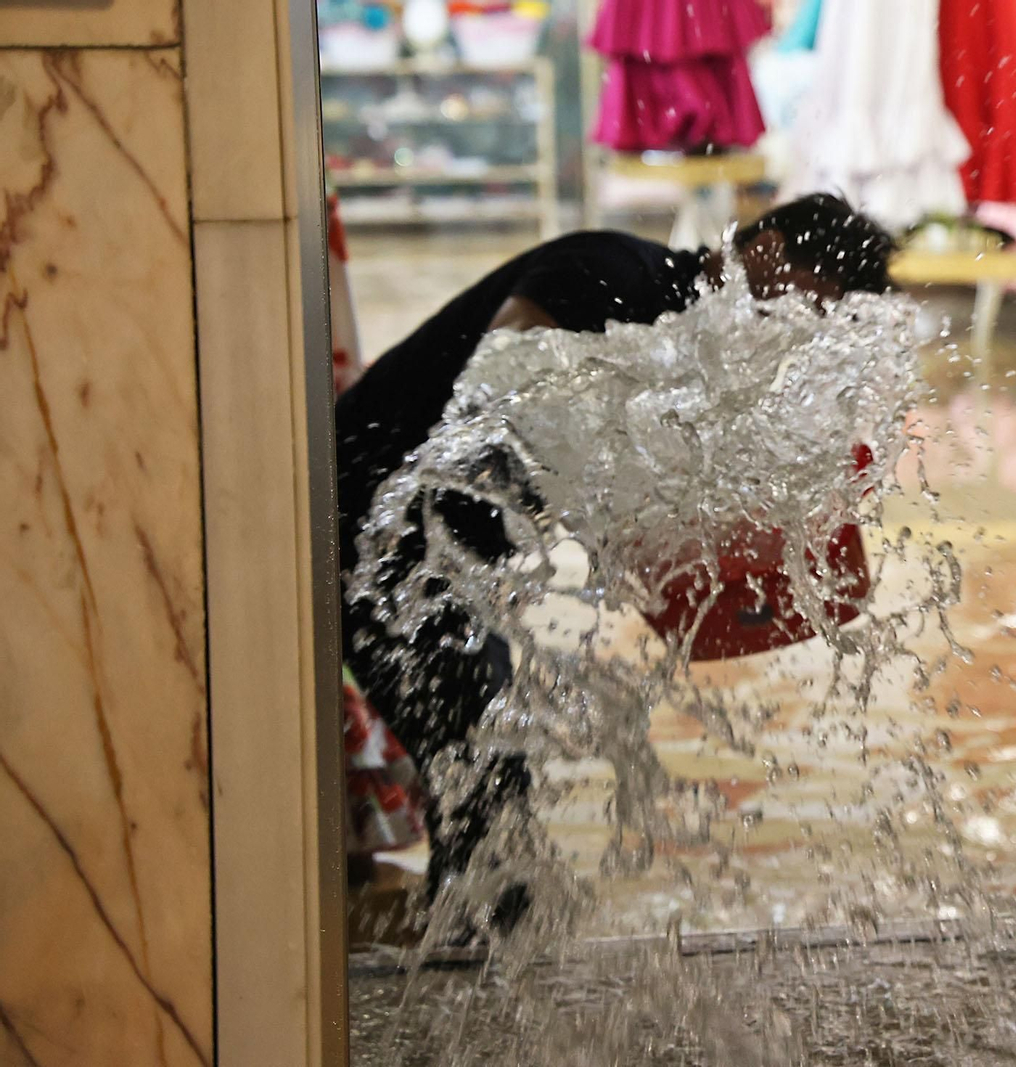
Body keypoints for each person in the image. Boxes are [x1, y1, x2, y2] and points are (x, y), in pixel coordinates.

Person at [336, 193, 896, 917]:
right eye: (808, 309)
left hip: (441, 546)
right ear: (768, 251)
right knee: (483, 770)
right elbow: (495, 375)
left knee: (490, 777)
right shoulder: (614, 271)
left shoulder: (683, 341)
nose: (798, 336)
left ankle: (465, 957)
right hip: (372, 515)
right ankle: (465, 967)